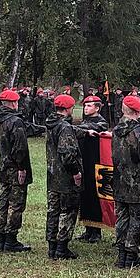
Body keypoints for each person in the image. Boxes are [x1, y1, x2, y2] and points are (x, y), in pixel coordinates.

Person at [112, 95, 140, 268]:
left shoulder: (116, 130)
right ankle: (131, 256)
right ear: (138, 111)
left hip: (119, 181)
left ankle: (122, 254)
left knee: (122, 218)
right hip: (137, 183)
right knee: (137, 219)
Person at [45, 94, 83, 260]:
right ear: (68, 109)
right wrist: (76, 172)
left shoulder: (51, 123)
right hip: (66, 177)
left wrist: (85, 132)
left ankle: (52, 246)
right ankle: (62, 247)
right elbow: (67, 154)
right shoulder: (65, 127)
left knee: (53, 211)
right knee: (67, 211)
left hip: (53, 175)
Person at [0, 89, 33, 253]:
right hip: (15, 167)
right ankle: (11, 239)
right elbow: (20, 148)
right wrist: (22, 168)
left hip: (3, 165)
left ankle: (0, 238)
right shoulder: (15, 122)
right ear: (13, 103)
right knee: (16, 203)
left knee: (2, 201)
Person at [74, 94, 110, 244]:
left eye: (89, 106)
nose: (86, 108)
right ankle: (88, 229)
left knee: (95, 196)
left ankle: (96, 232)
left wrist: (73, 128)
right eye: (85, 106)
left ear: (97, 108)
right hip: (85, 163)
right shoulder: (85, 121)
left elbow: (90, 129)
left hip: (96, 163)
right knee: (85, 196)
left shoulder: (101, 123)